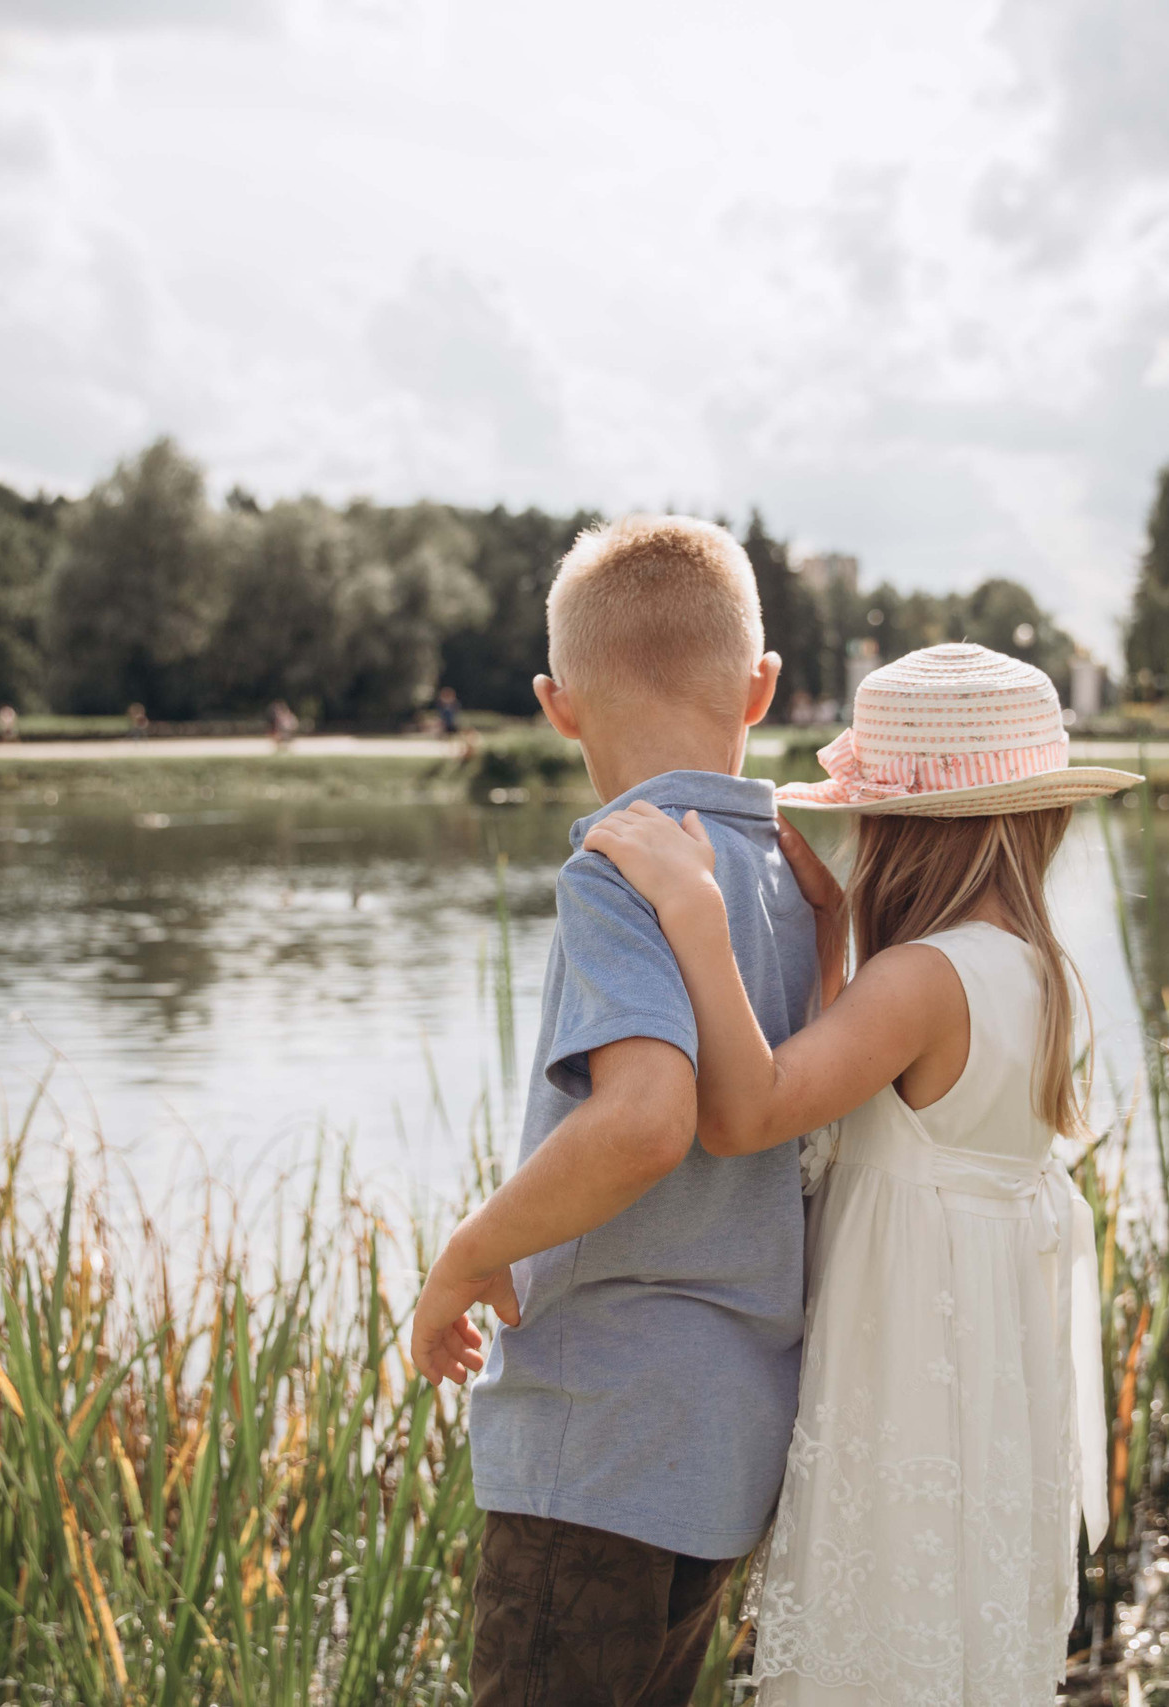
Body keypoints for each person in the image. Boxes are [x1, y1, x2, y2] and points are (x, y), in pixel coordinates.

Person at [582, 643, 1139, 1706]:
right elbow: (888, 1101)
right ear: (1037, 819)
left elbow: (748, 1115)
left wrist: (697, 916)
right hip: (981, 1380)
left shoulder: (919, 979)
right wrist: (835, 938)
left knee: (876, 1642)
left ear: (897, 827)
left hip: (906, 1386)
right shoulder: (1030, 967)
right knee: (950, 1634)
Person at [409, 515, 813, 1707]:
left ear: (558, 704)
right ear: (762, 687)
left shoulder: (620, 869)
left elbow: (646, 1121)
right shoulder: (802, 874)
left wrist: (469, 1252)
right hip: (727, 1443)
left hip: (602, 1438)